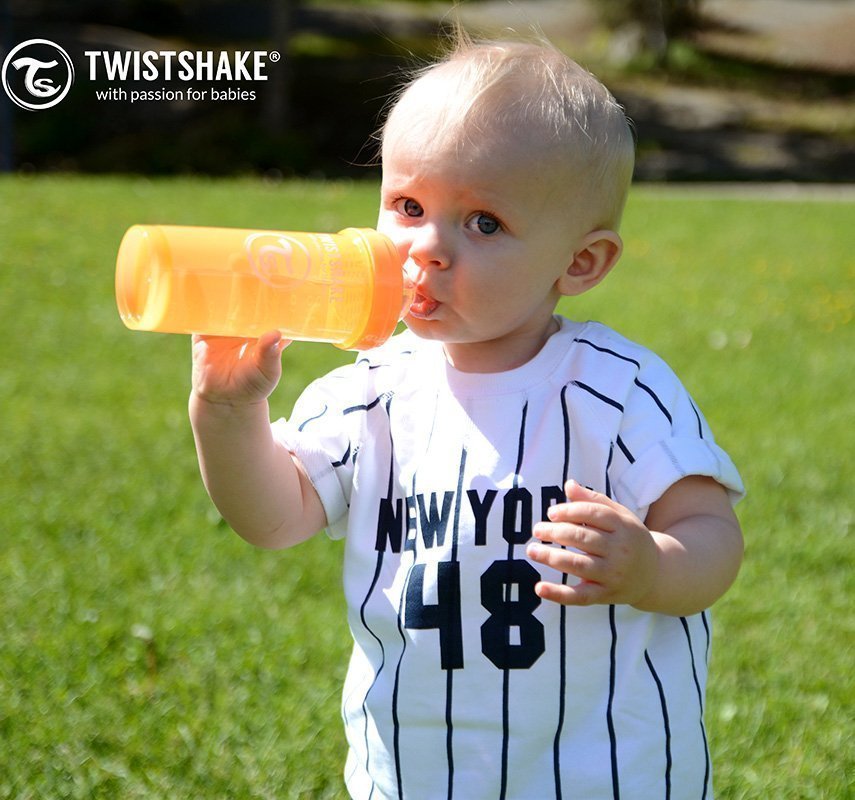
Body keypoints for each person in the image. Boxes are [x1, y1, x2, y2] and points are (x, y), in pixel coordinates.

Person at [189, 33, 745, 800]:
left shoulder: (618, 392)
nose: (426, 248)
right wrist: (227, 410)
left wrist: (651, 565)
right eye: (408, 206)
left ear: (578, 262)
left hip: (602, 771)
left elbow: (712, 535)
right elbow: (271, 518)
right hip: (419, 774)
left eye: (482, 222)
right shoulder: (369, 392)